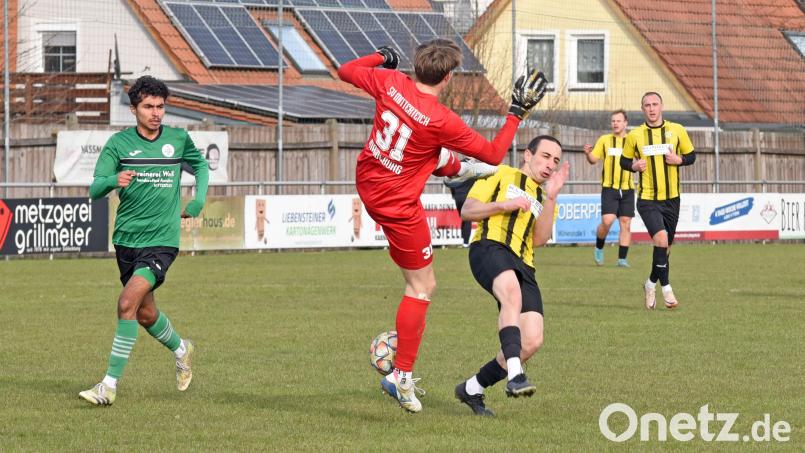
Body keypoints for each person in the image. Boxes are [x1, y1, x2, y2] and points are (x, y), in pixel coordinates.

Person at [337, 39, 547, 413]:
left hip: (369, 181)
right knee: (422, 286)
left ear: (416, 66)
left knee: (430, 151)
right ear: (448, 77)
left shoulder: (390, 82)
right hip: (398, 205)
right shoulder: (440, 119)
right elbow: (497, 154)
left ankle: (458, 168)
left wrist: (383, 58)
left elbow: (345, 70)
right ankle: (401, 377)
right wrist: (515, 113)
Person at [80, 76, 209, 405]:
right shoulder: (118, 145)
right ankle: (182, 349)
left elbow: (202, 167)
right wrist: (113, 179)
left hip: (162, 240)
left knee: (126, 303)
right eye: (149, 107)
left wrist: (197, 201)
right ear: (134, 109)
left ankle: (108, 386)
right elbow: (95, 189)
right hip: (126, 240)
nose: (156, 113)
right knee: (145, 314)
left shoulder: (178, 139)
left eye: (161, 107)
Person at [455, 135, 569, 416]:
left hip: (525, 264)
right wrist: (504, 205)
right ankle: (515, 375)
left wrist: (552, 196)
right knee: (511, 294)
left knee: (531, 341)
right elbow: (468, 210)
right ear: (527, 155)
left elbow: (540, 238)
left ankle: (472, 388)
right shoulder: (500, 173)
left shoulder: (543, 196)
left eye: (555, 161)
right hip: (489, 247)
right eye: (544, 156)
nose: (549, 165)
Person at [620, 92, 695, 310]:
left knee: (666, 248)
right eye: (647, 105)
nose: (651, 108)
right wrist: (633, 166)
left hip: (672, 199)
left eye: (654, 104)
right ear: (642, 109)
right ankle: (667, 288)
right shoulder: (635, 135)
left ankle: (650, 283)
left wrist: (678, 160)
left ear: (661, 106)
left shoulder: (677, 130)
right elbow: (625, 160)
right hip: (647, 199)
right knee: (661, 239)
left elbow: (691, 156)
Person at [583, 110, 635, 267]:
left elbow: (640, 160)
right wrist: (588, 153)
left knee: (625, 222)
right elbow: (593, 160)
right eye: (613, 121)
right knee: (607, 221)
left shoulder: (633, 141)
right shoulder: (605, 140)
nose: (615, 123)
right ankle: (599, 247)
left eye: (618, 121)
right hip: (609, 188)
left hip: (627, 188)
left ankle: (622, 259)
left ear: (625, 123)